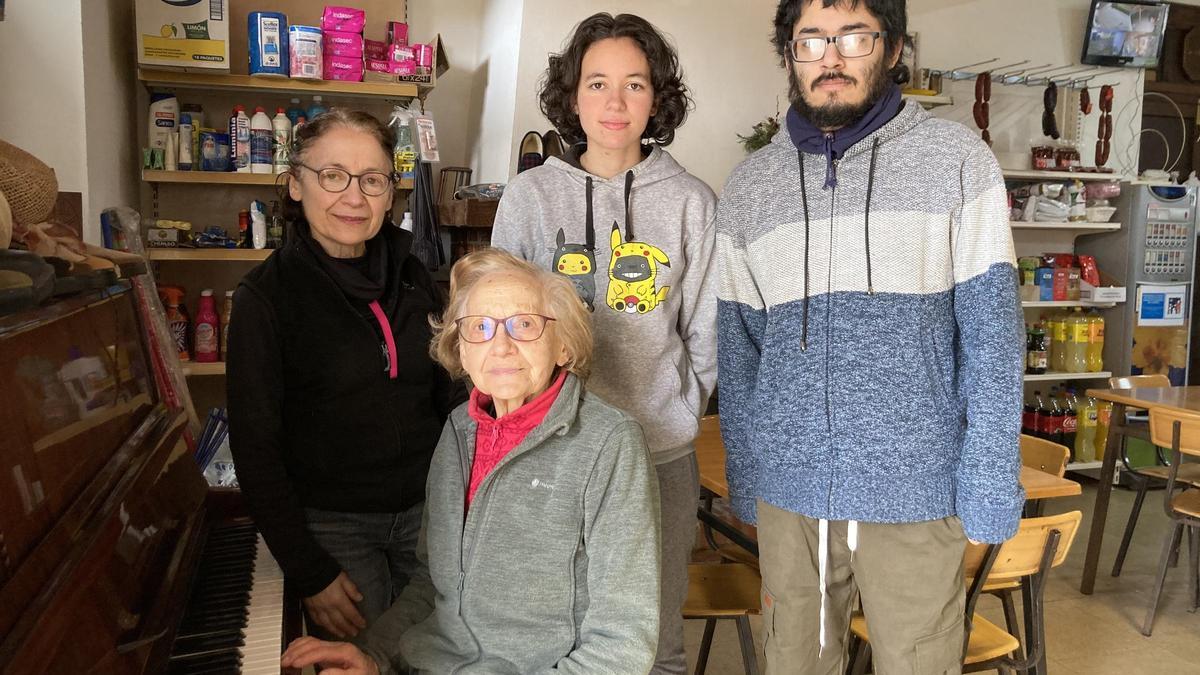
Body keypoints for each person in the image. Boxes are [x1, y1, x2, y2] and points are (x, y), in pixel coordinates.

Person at [716, 0, 1024, 672]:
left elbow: (994, 337)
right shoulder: (749, 189)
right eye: (811, 40)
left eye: (853, 35)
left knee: (918, 661)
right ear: (789, 52)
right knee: (795, 661)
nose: (831, 56)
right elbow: (738, 351)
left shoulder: (957, 163)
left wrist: (991, 479)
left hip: (914, 486)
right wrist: (747, 471)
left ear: (890, 48)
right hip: (791, 493)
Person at [280, 247, 662, 674]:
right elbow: (432, 585)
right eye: (479, 327)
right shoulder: (460, 429)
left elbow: (622, 644)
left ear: (564, 347)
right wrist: (374, 655)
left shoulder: (609, 443)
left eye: (524, 325)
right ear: (461, 350)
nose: (500, 346)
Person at [490, 13, 717, 673]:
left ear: (658, 97)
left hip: (660, 455)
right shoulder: (530, 199)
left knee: (655, 640)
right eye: (596, 84)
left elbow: (707, 333)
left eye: (634, 85)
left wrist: (678, 407)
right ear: (572, 95)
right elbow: (500, 326)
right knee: (551, 629)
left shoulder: (692, 203)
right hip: (551, 452)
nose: (615, 104)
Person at [226, 109, 460, 642]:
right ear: (295, 183)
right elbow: (255, 447)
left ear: (390, 192)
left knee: (435, 652)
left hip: (429, 512)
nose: (354, 197)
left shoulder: (413, 273)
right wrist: (309, 569)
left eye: (373, 180)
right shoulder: (265, 299)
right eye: (333, 175)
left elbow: (451, 390)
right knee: (367, 653)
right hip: (335, 526)